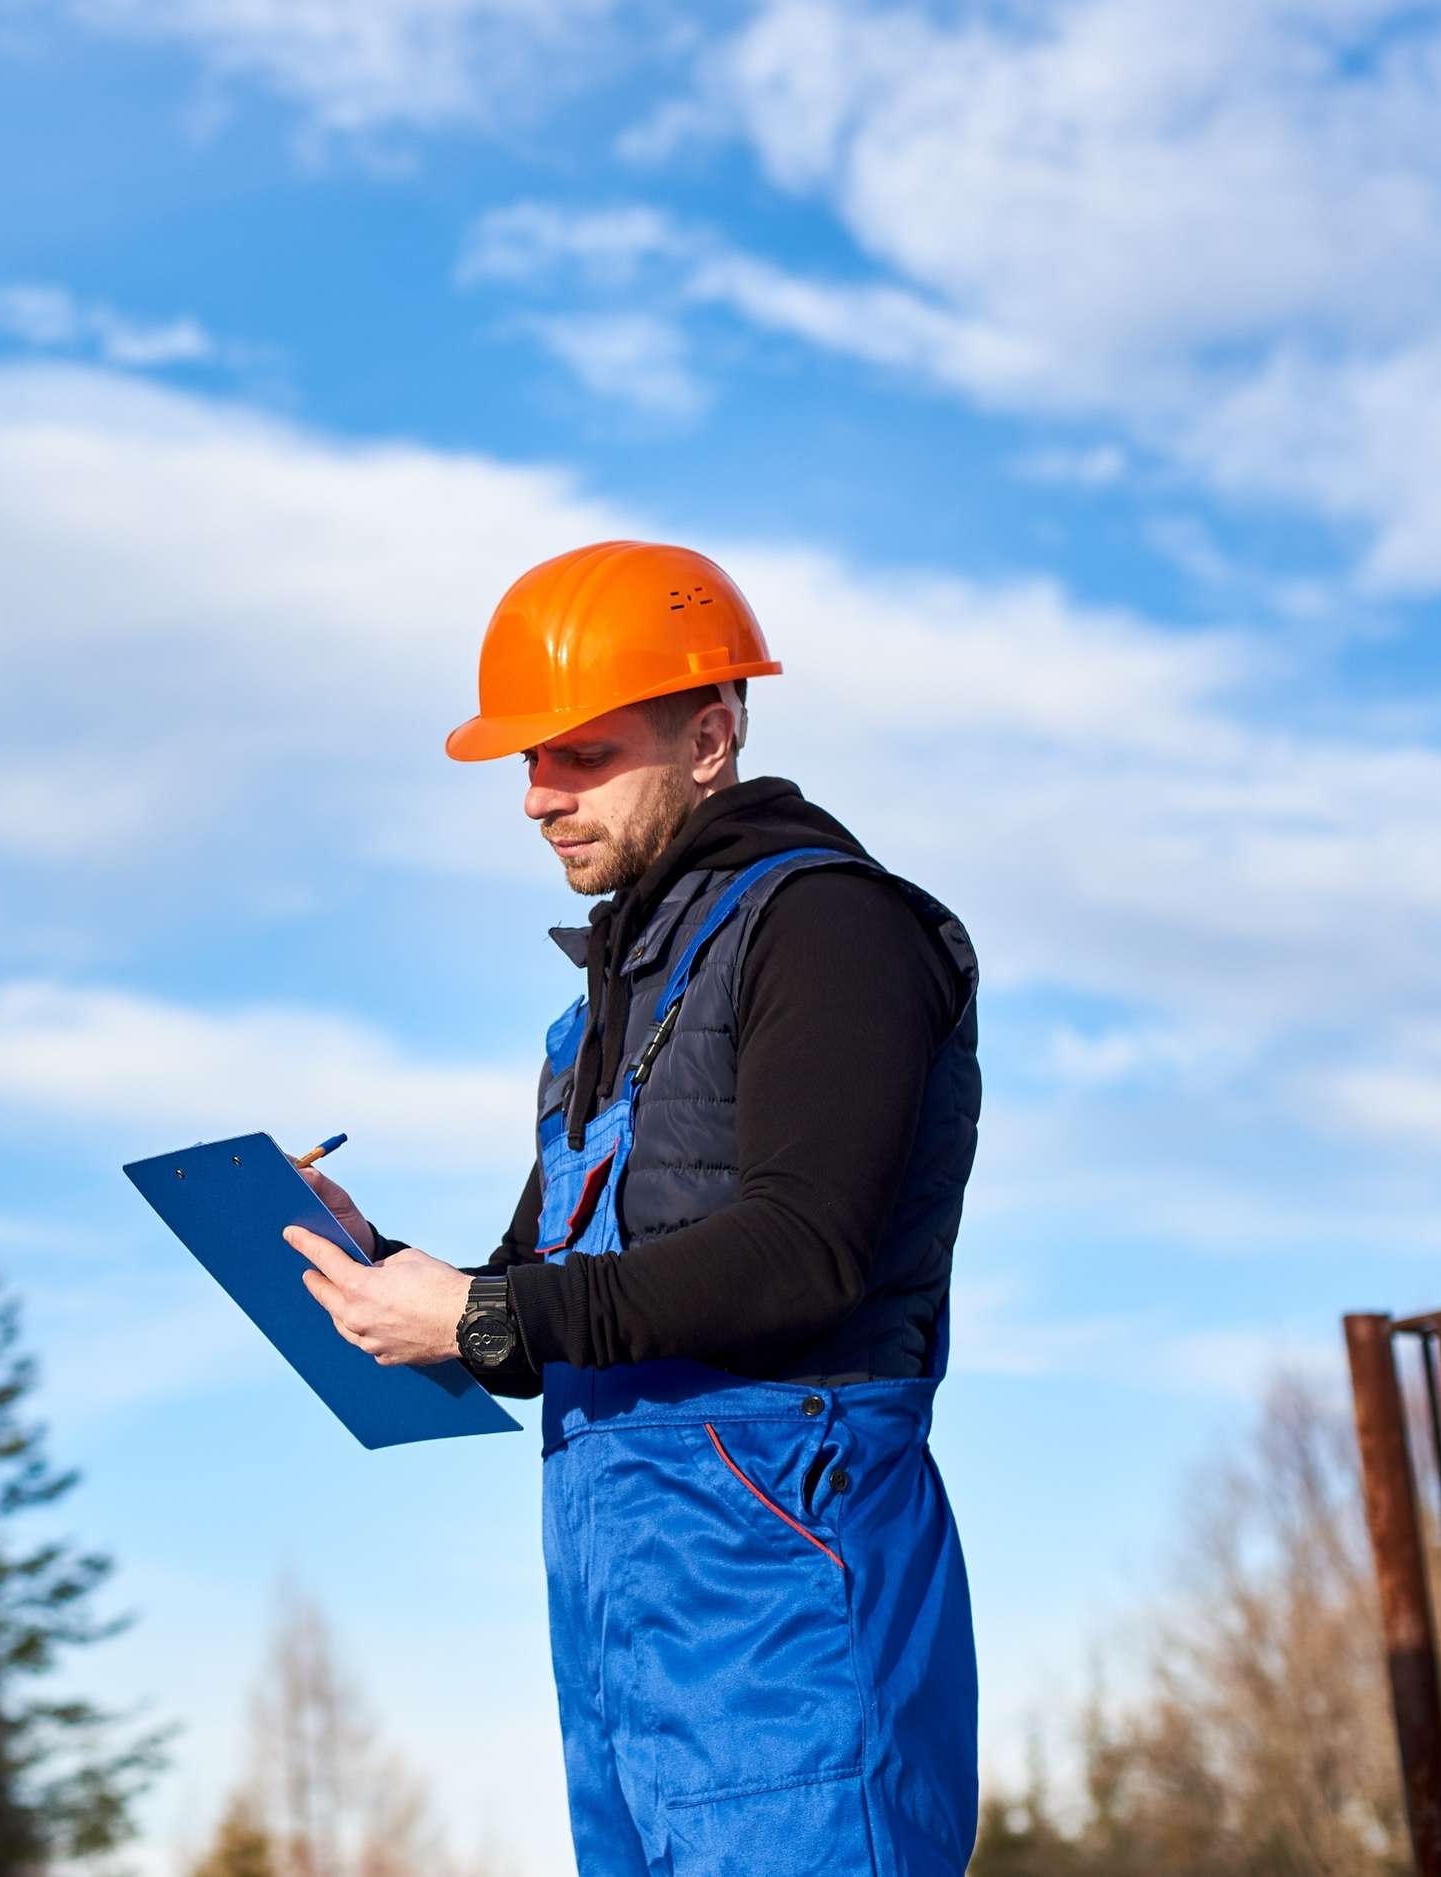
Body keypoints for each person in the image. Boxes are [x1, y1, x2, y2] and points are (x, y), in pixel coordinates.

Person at [286, 541, 981, 1877]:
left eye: (582, 754)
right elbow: (527, 1309)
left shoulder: (832, 927)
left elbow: (803, 1247)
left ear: (710, 737)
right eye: (527, 763)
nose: (538, 797)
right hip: (624, 1644)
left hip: (786, 1617)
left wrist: (486, 1308)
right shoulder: (597, 1010)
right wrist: (369, 1263)